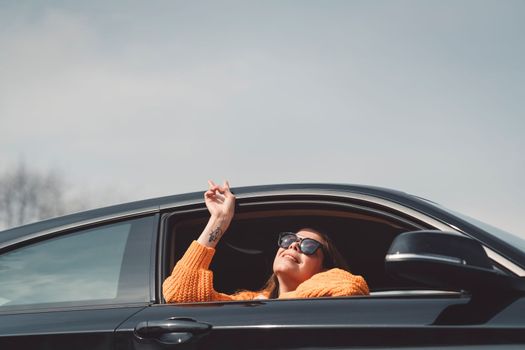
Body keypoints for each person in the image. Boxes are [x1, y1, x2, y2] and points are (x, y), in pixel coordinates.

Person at [163, 180, 369, 303]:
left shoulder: (335, 284)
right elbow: (179, 293)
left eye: (308, 245)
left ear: (324, 268)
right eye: (289, 239)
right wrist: (219, 220)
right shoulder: (253, 302)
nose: (293, 245)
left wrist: (278, 304)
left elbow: (350, 288)